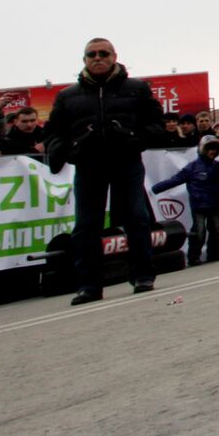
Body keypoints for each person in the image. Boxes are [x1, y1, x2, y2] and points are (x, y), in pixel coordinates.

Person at [43, 39, 164, 304]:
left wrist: (134, 137)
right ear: (84, 59)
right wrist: (70, 148)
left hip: (126, 161)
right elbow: (52, 133)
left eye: (103, 54)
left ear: (114, 57)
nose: (97, 58)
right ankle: (89, 286)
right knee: (86, 226)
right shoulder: (67, 96)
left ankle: (143, 275)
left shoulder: (137, 89)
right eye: (91, 54)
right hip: (88, 166)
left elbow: (157, 125)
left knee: (136, 217)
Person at [152, 135, 219, 265]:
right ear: (203, 149)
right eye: (210, 148)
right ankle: (194, 257)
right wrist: (153, 190)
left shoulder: (218, 166)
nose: (213, 151)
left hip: (214, 204)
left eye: (216, 149)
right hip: (199, 206)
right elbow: (174, 180)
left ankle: (214, 252)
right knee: (199, 232)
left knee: (216, 230)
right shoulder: (192, 167)